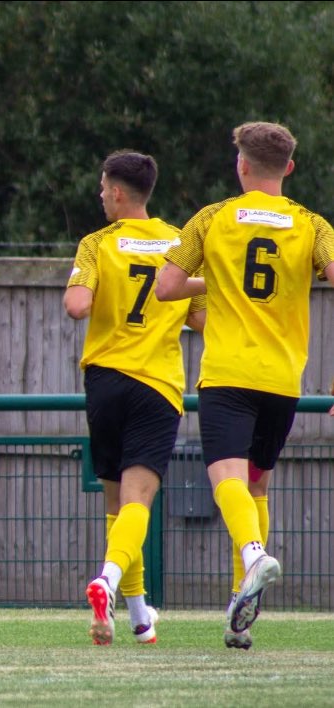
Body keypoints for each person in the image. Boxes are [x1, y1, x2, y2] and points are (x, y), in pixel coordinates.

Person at [156, 121, 334, 649]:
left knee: (225, 477)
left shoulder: (212, 218)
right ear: (290, 168)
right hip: (283, 379)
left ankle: (253, 556)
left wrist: (216, 275)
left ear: (241, 165)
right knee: (257, 483)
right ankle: (243, 614)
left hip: (229, 372)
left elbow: (167, 287)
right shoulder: (311, 224)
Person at [64, 150, 205, 646]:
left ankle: (141, 618)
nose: (100, 195)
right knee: (138, 501)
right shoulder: (180, 244)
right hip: (158, 384)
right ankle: (106, 579)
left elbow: (76, 305)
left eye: (103, 187)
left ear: (119, 192)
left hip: (105, 381)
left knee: (115, 502)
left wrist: (108, 289)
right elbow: (201, 319)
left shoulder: (97, 244)